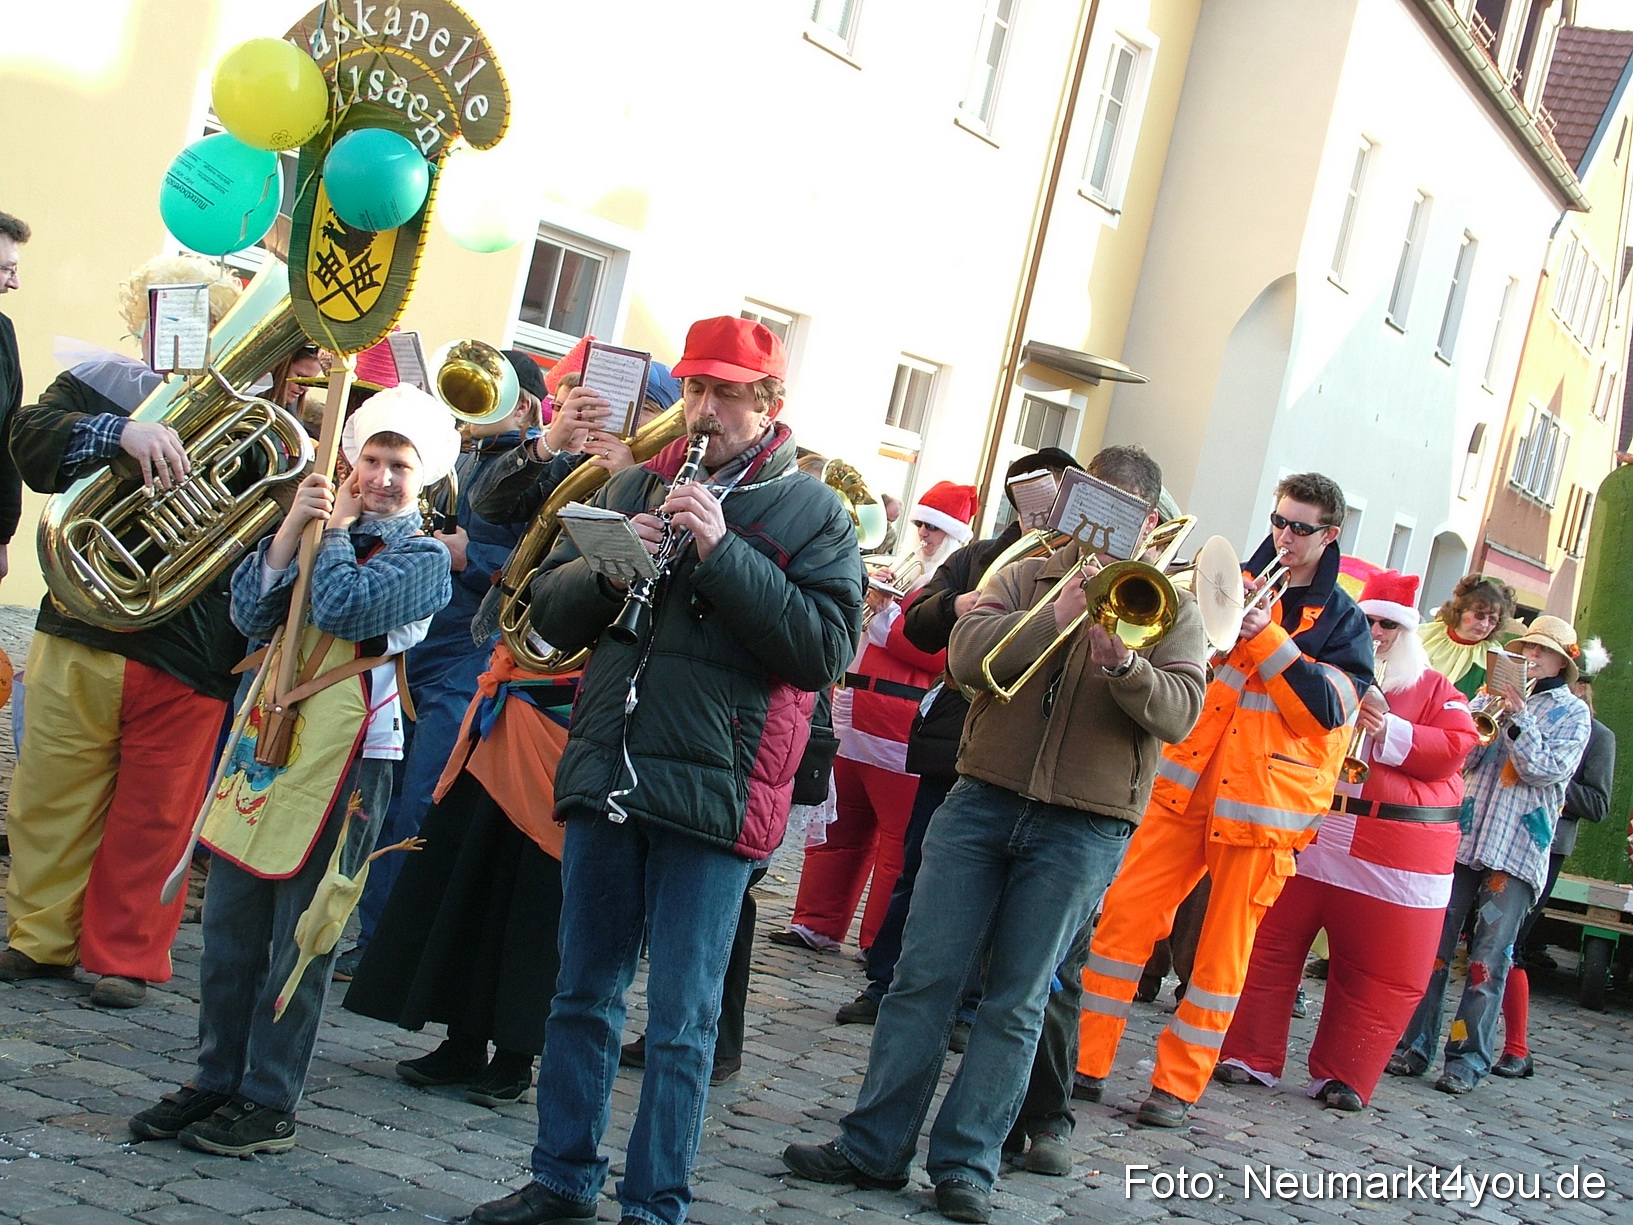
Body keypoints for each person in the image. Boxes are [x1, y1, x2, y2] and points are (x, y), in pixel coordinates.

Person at [467, 316, 862, 1225]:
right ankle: (562, 1175)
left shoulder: (812, 511)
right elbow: (551, 619)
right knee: (581, 992)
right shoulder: (636, 481)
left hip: (717, 790)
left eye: (726, 392)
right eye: (694, 388)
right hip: (611, 766)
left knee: (681, 1023)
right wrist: (610, 569)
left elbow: (819, 649)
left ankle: (656, 1202)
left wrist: (724, 553)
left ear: (769, 406)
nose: (704, 408)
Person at [783, 445, 1207, 1225]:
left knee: (1014, 1001)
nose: (1096, 522)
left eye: (1116, 510)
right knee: (921, 979)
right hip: (981, 799)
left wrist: (1124, 666)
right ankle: (873, 1147)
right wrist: (1054, 611)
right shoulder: (1022, 570)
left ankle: (967, 1165)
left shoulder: (1170, 603)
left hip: (1083, 822)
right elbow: (962, 658)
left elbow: (1180, 712)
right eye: (1087, 503)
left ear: (1147, 522)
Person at [127, 386, 457, 1155]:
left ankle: (268, 1097)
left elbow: (344, 608)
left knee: (300, 936)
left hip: (351, 757)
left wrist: (332, 531)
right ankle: (216, 1077)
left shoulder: (424, 558)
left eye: (398, 465)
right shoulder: (316, 526)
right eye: (370, 458)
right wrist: (287, 532)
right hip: (270, 739)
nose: (380, 476)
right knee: (233, 924)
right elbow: (249, 611)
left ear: (425, 477)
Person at [1075, 472, 1373, 1127]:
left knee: (1218, 957)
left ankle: (1174, 1087)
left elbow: (1325, 712)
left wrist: (1266, 636)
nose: (1283, 536)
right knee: (1120, 923)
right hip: (1183, 788)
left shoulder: (1345, 622)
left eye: (1299, 527)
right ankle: (1081, 1061)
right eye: (1278, 520)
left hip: (1264, 812)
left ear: (1329, 534)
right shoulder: (1228, 576)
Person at [0, 256, 248, 1008]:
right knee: (49, 790)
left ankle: (125, 954)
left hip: (191, 637)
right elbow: (30, 439)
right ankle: (37, 935)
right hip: (84, 617)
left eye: (203, 320)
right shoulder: (91, 382)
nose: (179, 331)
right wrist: (119, 434)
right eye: (166, 314)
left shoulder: (265, 408)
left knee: (158, 811)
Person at [1214, 569, 1476, 1111]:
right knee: (1265, 947)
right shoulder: (1329, 664)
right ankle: (1248, 1054)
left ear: (1408, 634)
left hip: (1391, 851)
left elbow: (1455, 745)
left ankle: (1346, 1073)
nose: (1376, 634)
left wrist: (1394, 732)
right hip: (1310, 830)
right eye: (1370, 622)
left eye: (1388, 625)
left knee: (1378, 973)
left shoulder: (1436, 691)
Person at [336, 350, 557, 980]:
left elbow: (545, 558)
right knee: (373, 794)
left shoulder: (544, 464)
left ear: (524, 407)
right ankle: (359, 924)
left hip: (468, 651)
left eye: (488, 397)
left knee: (415, 803)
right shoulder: (455, 455)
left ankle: (385, 945)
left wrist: (476, 554)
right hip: (415, 648)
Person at [770, 479, 976, 953]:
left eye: (934, 529)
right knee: (838, 827)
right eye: (920, 525)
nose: (923, 535)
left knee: (896, 846)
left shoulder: (952, 588)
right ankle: (815, 922)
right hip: (855, 717)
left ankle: (877, 942)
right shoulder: (905, 573)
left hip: (902, 728)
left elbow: (938, 652)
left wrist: (885, 620)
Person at [1389, 615, 1591, 1094]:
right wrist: (1489, 713)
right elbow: (1463, 756)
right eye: (1526, 649)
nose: (1530, 658)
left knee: (1487, 960)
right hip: (1464, 839)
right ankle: (1414, 1046)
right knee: (1433, 950)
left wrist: (1518, 717)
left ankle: (1467, 1060)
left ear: (1560, 661)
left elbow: (1544, 770)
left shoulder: (1573, 714)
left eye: (1540, 652)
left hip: (1516, 850)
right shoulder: (1488, 699)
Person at [1497, 665, 1614, 1078]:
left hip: (1544, 844)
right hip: (1498, 834)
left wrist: (1552, 776)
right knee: (1482, 941)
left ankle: (1517, 1047)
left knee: (1513, 943)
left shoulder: (1599, 736)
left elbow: (1598, 805)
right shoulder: (1518, 712)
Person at [1419, 574, 1517, 700]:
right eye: (1479, 615)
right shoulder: (1423, 635)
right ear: (1460, 609)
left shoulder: (1495, 658)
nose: (1484, 624)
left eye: (1492, 619)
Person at [0, 209, 30, 585]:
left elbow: (7, 442)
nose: (16, 282)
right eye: (7, 269)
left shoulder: (3, 333)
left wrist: (2, 539)